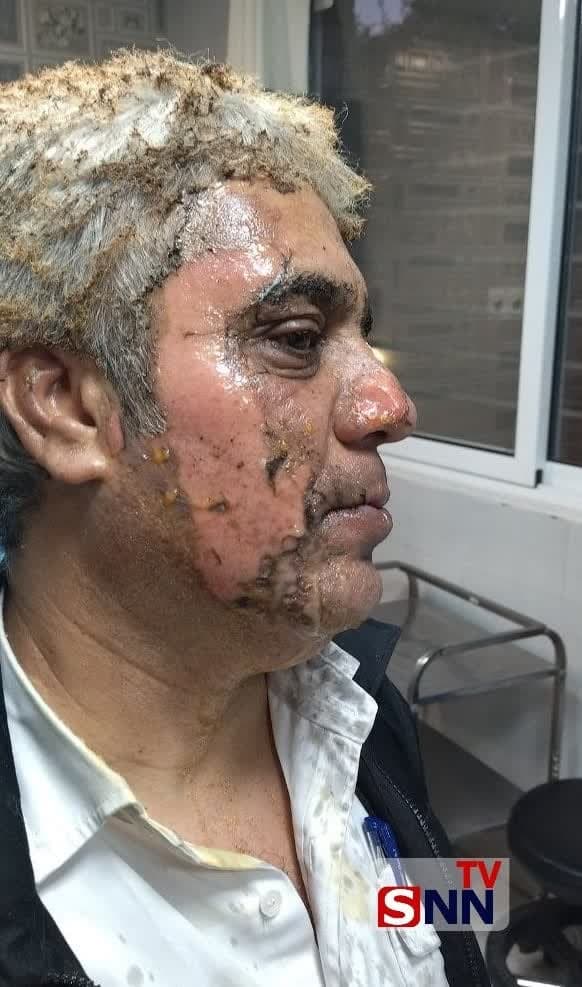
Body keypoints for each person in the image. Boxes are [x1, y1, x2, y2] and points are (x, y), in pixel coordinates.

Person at [0, 50, 490, 987]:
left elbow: (426, 911)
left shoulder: (357, 703)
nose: (390, 405)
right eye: (296, 338)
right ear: (64, 406)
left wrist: (488, 951)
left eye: (364, 336)